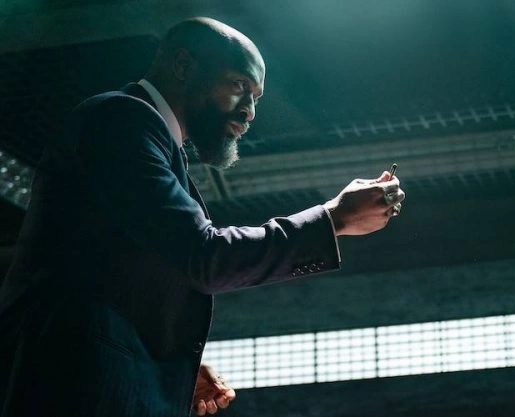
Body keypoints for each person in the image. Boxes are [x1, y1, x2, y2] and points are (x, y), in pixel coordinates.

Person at [0, 17, 404, 417]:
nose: (249, 111)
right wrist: (332, 218)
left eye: (256, 98)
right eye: (239, 85)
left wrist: (168, 364)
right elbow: (202, 256)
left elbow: (114, 275)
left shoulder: (143, 137)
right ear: (183, 66)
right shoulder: (121, 119)